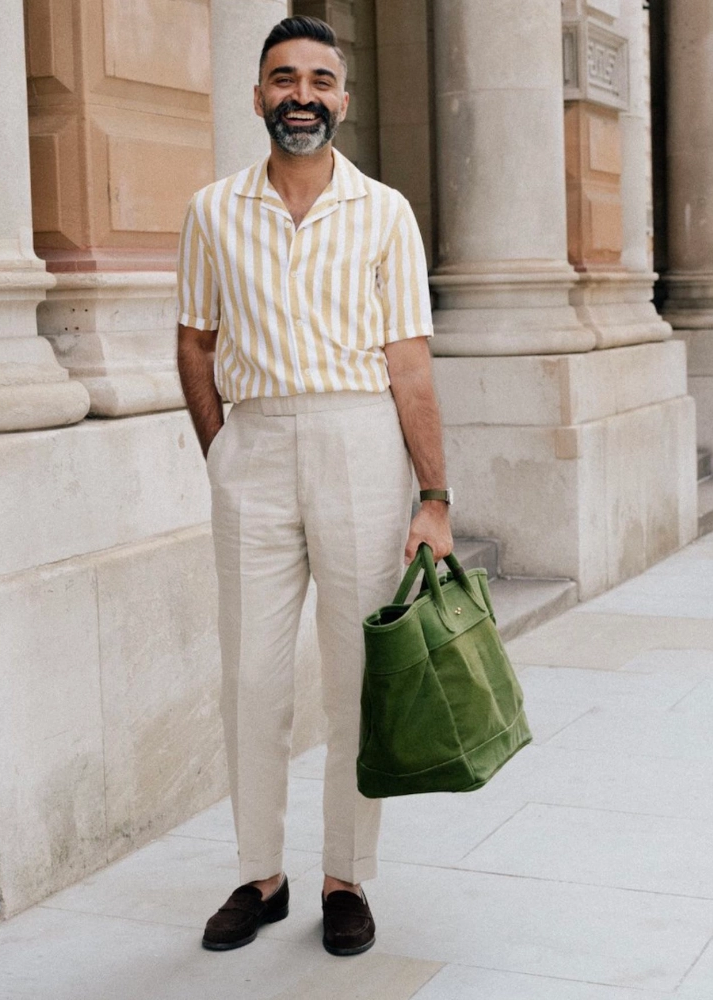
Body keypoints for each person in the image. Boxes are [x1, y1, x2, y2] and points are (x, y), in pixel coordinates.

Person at [176, 14, 452, 957]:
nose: (303, 96)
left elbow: (409, 363)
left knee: (356, 679)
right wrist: (220, 449)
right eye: (284, 79)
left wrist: (434, 497)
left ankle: (345, 875)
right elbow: (195, 339)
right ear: (256, 96)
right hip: (251, 447)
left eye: (320, 80)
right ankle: (261, 874)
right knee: (251, 678)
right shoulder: (212, 209)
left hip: (357, 440)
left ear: (344, 97)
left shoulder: (386, 212)